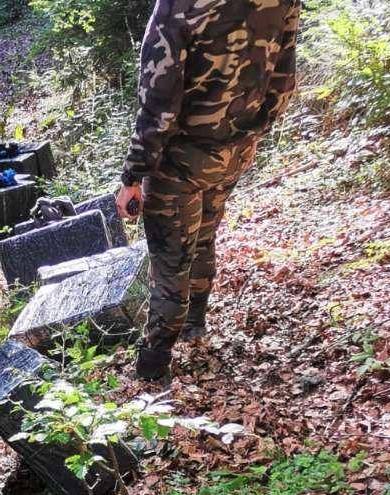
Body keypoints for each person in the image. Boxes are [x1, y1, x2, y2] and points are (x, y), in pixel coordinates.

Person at [117, 0, 301, 380]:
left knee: (170, 263)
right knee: (203, 235)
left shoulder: (178, 6)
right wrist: (250, 133)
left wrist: (133, 176)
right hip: (234, 151)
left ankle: (154, 366)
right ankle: (195, 325)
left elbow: (159, 105)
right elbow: (284, 78)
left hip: (179, 162)